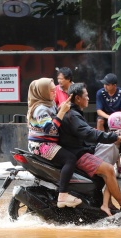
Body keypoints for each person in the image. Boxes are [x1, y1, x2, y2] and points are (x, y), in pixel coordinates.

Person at [60, 82, 121, 215]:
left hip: (80, 149)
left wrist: (115, 135)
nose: (88, 98)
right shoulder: (72, 114)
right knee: (108, 169)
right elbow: (89, 133)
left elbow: (87, 133)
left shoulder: (74, 113)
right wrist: (113, 137)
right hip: (77, 154)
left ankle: (108, 203)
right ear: (78, 98)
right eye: (86, 95)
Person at [26, 78, 82, 208]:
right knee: (70, 159)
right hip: (41, 145)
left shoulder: (49, 104)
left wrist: (61, 108)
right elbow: (50, 129)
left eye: (54, 90)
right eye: (51, 91)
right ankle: (63, 195)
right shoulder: (40, 109)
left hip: (48, 143)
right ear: (42, 92)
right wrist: (61, 112)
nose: (54, 93)